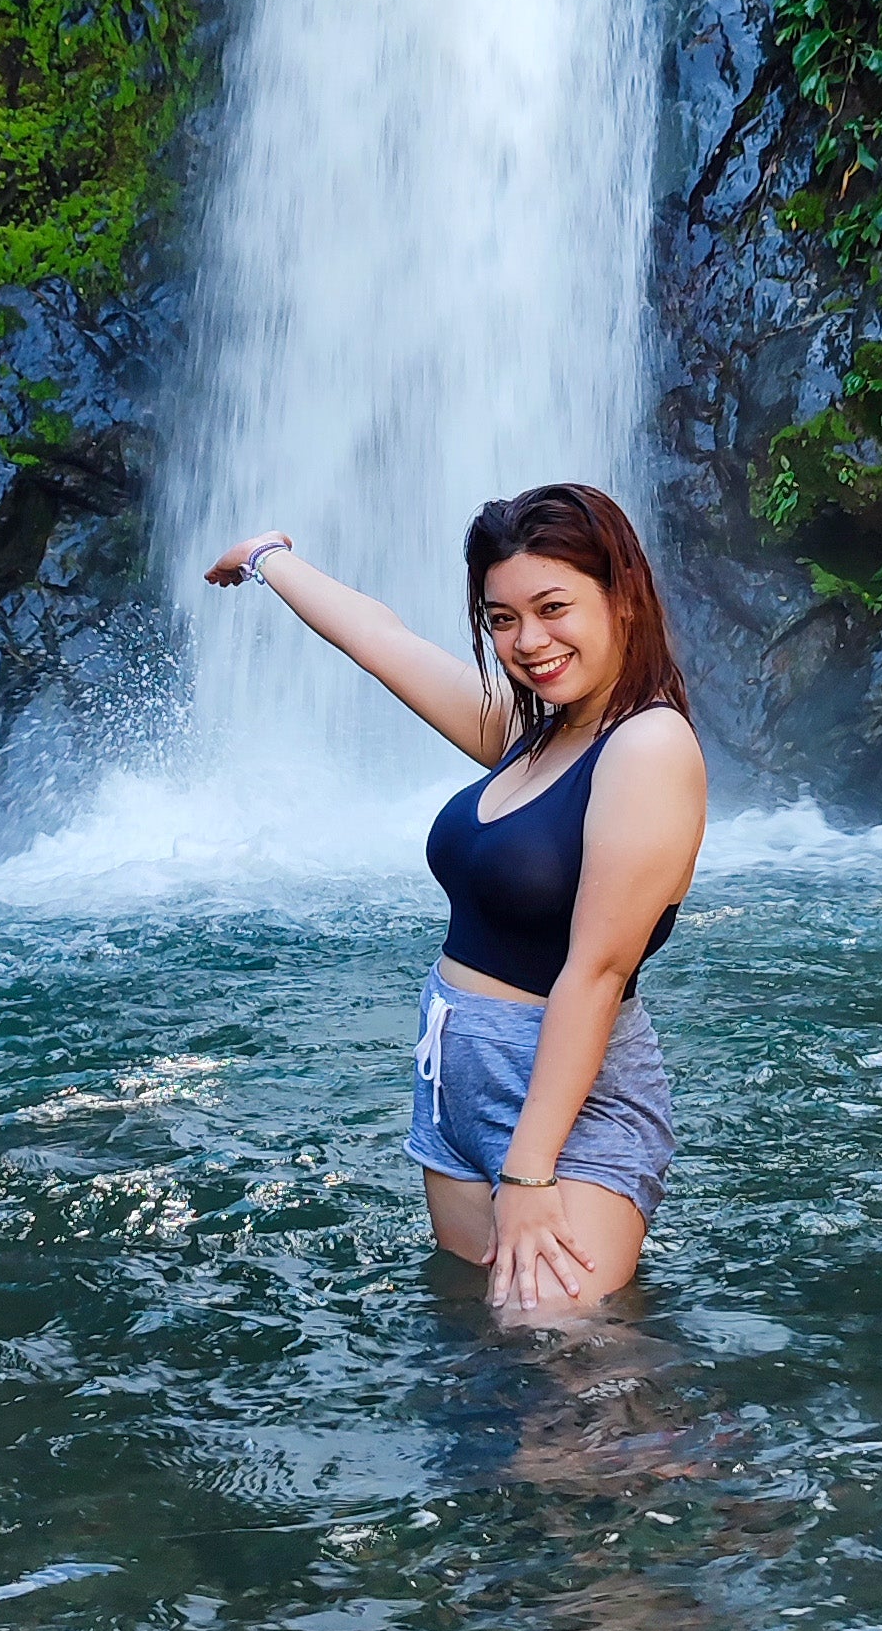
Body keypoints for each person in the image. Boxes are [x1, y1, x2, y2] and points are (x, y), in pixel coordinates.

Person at [204, 483, 706, 1315]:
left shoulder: (646, 746)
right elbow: (381, 641)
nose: (528, 641)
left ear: (621, 599)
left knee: (564, 1364)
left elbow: (595, 971)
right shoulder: (535, 733)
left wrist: (530, 1168)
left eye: (553, 607)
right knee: (492, 1357)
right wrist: (269, 561)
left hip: (564, 1105)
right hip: (458, 1083)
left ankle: (686, 1448)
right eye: (502, 618)